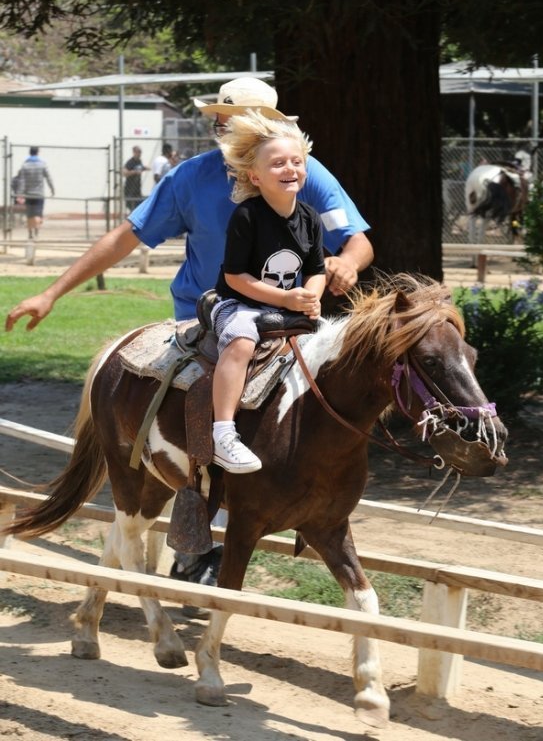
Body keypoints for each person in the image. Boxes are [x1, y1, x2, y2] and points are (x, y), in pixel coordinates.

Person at [5, 77, 374, 595]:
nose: (216, 127)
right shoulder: (191, 178)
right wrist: (53, 292)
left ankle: (312, 500)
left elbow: (355, 239)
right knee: (203, 394)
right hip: (209, 314)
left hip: (291, 316)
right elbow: (127, 236)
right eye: (217, 119)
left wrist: (345, 263)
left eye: (225, 119)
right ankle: (194, 521)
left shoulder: (297, 169)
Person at [211, 111, 326, 473]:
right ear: (255, 176)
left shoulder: (309, 217)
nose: (289, 168)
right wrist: (286, 299)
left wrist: (310, 296)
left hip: (286, 305)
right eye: (277, 164)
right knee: (242, 342)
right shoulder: (247, 215)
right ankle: (223, 432)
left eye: (296, 161)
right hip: (237, 302)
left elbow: (316, 271)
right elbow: (234, 276)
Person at [13, 146, 55, 239]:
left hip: (28, 194)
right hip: (39, 194)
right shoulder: (42, 165)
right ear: (38, 152)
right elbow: (49, 178)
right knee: (38, 213)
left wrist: (20, 193)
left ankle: (30, 233)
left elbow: (21, 181)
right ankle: (37, 231)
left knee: (29, 214)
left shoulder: (25, 165)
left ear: (29, 153)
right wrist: (52, 189)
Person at [123, 146, 149, 211]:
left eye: (140, 152)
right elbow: (125, 173)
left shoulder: (139, 161)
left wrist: (145, 168)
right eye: (138, 152)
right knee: (132, 209)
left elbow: (140, 167)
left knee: (138, 208)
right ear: (134, 152)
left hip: (137, 189)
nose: (140, 154)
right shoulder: (130, 162)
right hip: (130, 190)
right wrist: (135, 172)